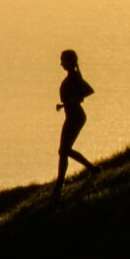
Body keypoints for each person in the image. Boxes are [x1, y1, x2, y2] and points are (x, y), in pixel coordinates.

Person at [55, 48, 97, 193]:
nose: (61, 63)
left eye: (63, 60)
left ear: (69, 62)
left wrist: (66, 103)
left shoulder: (74, 77)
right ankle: (91, 169)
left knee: (64, 150)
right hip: (72, 116)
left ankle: (60, 183)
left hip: (76, 116)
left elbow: (88, 91)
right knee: (63, 151)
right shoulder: (73, 76)